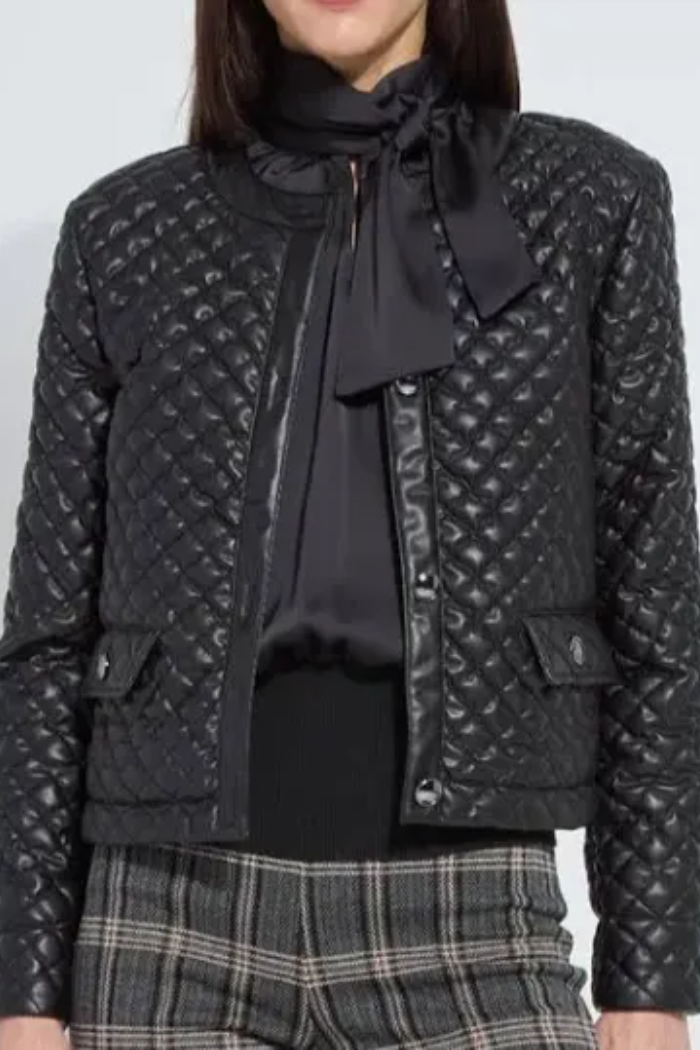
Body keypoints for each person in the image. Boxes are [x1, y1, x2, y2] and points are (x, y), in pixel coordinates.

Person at [0, 0, 698, 1047]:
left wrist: (649, 986)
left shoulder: (593, 202)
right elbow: (47, 640)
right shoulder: (125, 230)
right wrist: (25, 995)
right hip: (166, 920)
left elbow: (658, 612)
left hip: (475, 917)